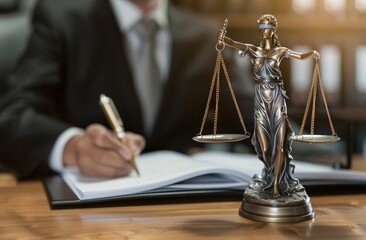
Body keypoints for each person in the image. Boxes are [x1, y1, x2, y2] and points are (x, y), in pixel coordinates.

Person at [0, 0, 250, 179]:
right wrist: (73, 147)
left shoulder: (206, 36)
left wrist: (286, 154)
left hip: (178, 208)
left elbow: (256, 114)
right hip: (86, 209)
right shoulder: (61, 18)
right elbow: (11, 117)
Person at [218, 14, 320, 197]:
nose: (265, 32)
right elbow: (234, 43)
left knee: (280, 144)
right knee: (264, 147)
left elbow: (299, 56)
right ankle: (270, 173)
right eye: (262, 28)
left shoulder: (280, 51)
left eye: (268, 28)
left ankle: (276, 186)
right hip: (260, 100)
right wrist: (222, 38)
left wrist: (312, 54)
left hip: (277, 98)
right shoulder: (253, 50)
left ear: (273, 30)